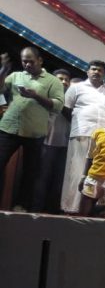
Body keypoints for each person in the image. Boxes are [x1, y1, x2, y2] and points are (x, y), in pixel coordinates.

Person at [0, 47, 64, 212]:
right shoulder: (15, 76)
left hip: (34, 133)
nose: (27, 64)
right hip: (8, 128)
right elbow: (1, 91)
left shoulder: (52, 81)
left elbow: (57, 105)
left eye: (30, 61)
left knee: (30, 173)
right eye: (24, 61)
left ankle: (21, 206)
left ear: (40, 60)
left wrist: (35, 96)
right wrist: (3, 71)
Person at [60, 60, 105, 214]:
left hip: (103, 140)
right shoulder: (76, 88)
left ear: (104, 74)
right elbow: (66, 109)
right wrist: (78, 122)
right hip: (81, 133)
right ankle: (71, 208)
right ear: (87, 72)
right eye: (93, 69)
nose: (96, 72)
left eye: (100, 70)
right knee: (76, 172)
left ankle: (93, 209)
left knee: (98, 174)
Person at [34, 68, 71, 213]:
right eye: (60, 78)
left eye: (66, 80)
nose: (64, 82)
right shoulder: (42, 94)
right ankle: (35, 209)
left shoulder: (71, 98)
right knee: (41, 178)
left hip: (64, 145)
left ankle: (52, 211)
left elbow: (72, 117)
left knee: (58, 181)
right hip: (44, 143)